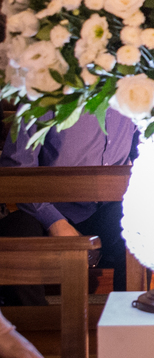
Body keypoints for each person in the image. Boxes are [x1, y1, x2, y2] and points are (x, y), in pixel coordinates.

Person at [0, 109, 138, 305]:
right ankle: (35, 320)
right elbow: (17, 168)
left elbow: (144, 153)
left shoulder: (135, 99)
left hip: (108, 207)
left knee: (139, 228)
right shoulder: (44, 98)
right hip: (46, 207)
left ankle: (127, 317)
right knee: (16, 235)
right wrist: (54, 222)